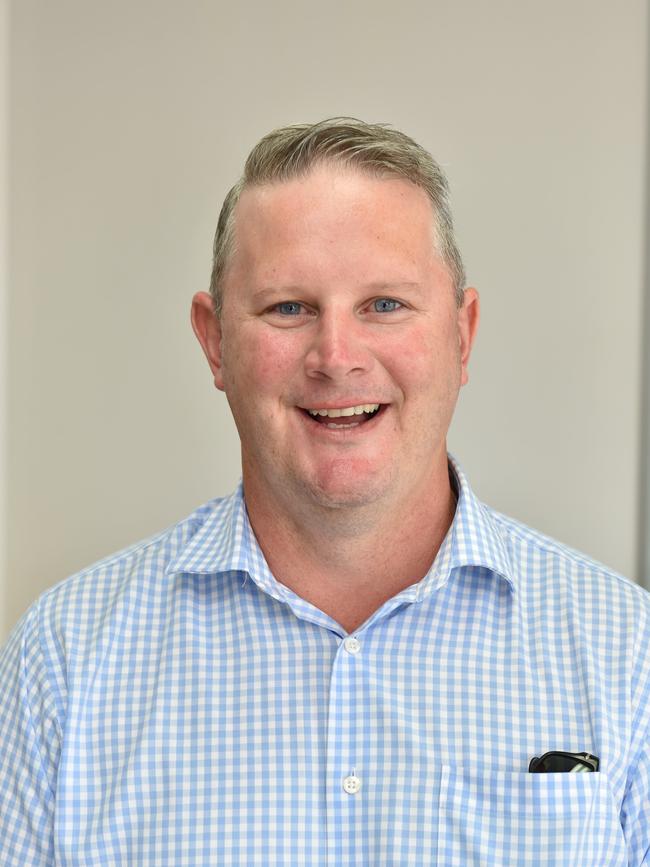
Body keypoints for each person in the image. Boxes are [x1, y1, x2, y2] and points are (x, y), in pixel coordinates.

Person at [0, 118, 648, 866]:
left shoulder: (628, 655)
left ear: (462, 335)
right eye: (288, 308)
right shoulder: (65, 663)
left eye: (384, 305)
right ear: (214, 342)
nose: (336, 358)